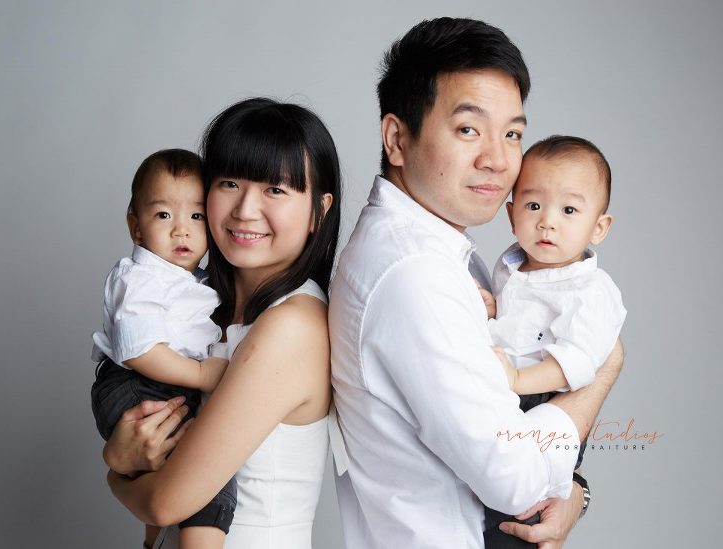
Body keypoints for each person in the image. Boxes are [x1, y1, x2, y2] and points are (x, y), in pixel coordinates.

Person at [329, 17, 624, 549]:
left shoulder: (445, 255)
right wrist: (602, 374)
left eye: (512, 133)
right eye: (469, 129)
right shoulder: (414, 274)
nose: (498, 160)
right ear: (397, 138)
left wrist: (575, 491)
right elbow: (516, 482)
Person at [101, 97, 341, 549]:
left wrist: (115, 472)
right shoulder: (200, 304)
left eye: (275, 189)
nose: (245, 210)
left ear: (320, 210)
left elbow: (165, 502)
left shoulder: (293, 325)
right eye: (229, 182)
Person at [481, 135, 627, 545]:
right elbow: (517, 325)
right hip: (515, 389)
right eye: (533, 206)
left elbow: (578, 363)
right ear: (511, 215)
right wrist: (491, 311)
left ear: (599, 227)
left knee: (518, 510)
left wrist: (516, 381)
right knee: (487, 495)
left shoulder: (590, 291)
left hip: (544, 397)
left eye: (568, 210)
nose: (547, 221)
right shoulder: (512, 264)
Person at [90, 148, 236, 549]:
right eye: (163, 216)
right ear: (136, 229)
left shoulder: (198, 282)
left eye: (195, 216)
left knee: (172, 475)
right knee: (204, 476)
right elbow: (139, 349)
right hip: (135, 382)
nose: (181, 231)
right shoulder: (140, 277)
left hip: (162, 383)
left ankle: (154, 542)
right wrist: (202, 375)